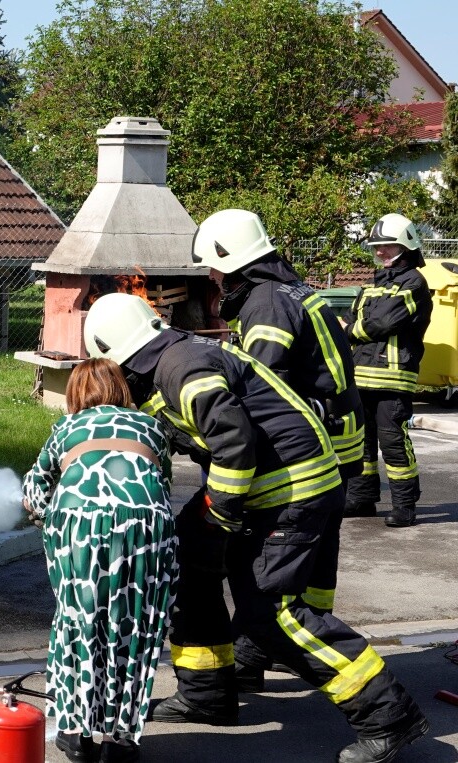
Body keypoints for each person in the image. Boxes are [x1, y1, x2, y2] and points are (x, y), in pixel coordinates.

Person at [83, 293, 428, 763]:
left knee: (272, 615)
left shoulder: (182, 369)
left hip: (289, 491)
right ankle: (206, 694)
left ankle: (389, 716)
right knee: (189, 562)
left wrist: (219, 514)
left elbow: (234, 442)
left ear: (115, 352)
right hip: (268, 485)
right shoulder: (173, 358)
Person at [192, 208, 365, 692]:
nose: (211, 276)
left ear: (231, 261)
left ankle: (288, 647)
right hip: (339, 435)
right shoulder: (292, 288)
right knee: (314, 556)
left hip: (309, 445)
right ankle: (279, 648)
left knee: (268, 559)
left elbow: (260, 384)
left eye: (213, 266)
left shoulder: (266, 305)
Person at [22, 357, 178, 763]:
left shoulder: (67, 428)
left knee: (79, 621)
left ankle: (75, 732)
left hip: (80, 527)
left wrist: (38, 511)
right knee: (134, 625)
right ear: (121, 389)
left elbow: (37, 488)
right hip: (146, 527)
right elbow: (162, 481)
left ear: (75, 393)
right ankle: (120, 738)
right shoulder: (152, 426)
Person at [341, 213, 433, 528]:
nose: (380, 252)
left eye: (387, 246)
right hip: (361, 376)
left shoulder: (414, 284)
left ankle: (405, 507)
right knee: (361, 443)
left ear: (406, 246)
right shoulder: (374, 283)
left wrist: (349, 330)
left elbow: (384, 322)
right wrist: (354, 326)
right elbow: (366, 320)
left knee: (392, 441)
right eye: (377, 246)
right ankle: (362, 499)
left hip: (393, 379)